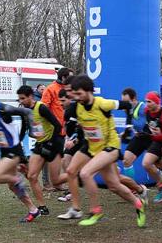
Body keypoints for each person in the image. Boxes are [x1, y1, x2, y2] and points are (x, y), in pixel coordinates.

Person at [58, 75, 145, 227]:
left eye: (79, 94)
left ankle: (95, 211)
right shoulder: (77, 107)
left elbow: (127, 105)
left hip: (110, 147)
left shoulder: (103, 104)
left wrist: (129, 126)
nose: (75, 97)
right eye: (74, 94)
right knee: (113, 185)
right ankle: (138, 203)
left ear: (89, 91)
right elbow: (78, 126)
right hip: (92, 147)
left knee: (85, 173)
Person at [0, 80, 40, 223]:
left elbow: (27, 111)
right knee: (13, 187)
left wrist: (32, 131)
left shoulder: (3, 109)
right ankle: (33, 209)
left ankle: (18, 178)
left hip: (14, 151)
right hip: (4, 151)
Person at [17, 85, 64, 215]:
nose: (21, 101)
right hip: (39, 145)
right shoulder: (24, 111)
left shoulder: (41, 107)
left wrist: (50, 143)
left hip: (53, 144)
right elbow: (23, 130)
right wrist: (17, 142)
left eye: (23, 98)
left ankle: (77, 177)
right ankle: (42, 206)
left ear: (31, 97)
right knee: (32, 176)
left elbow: (58, 125)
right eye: (19, 99)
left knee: (56, 181)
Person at [122, 91, 162, 203]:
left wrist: (154, 133)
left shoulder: (143, 108)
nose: (124, 104)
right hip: (141, 137)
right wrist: (127, 132)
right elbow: (132, 124)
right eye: (123, 101)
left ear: (134, 99)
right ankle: (135, 188)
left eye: (126, 101)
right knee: (127, 160)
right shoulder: (129, 109)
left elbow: (150, 125)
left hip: (152, 138)